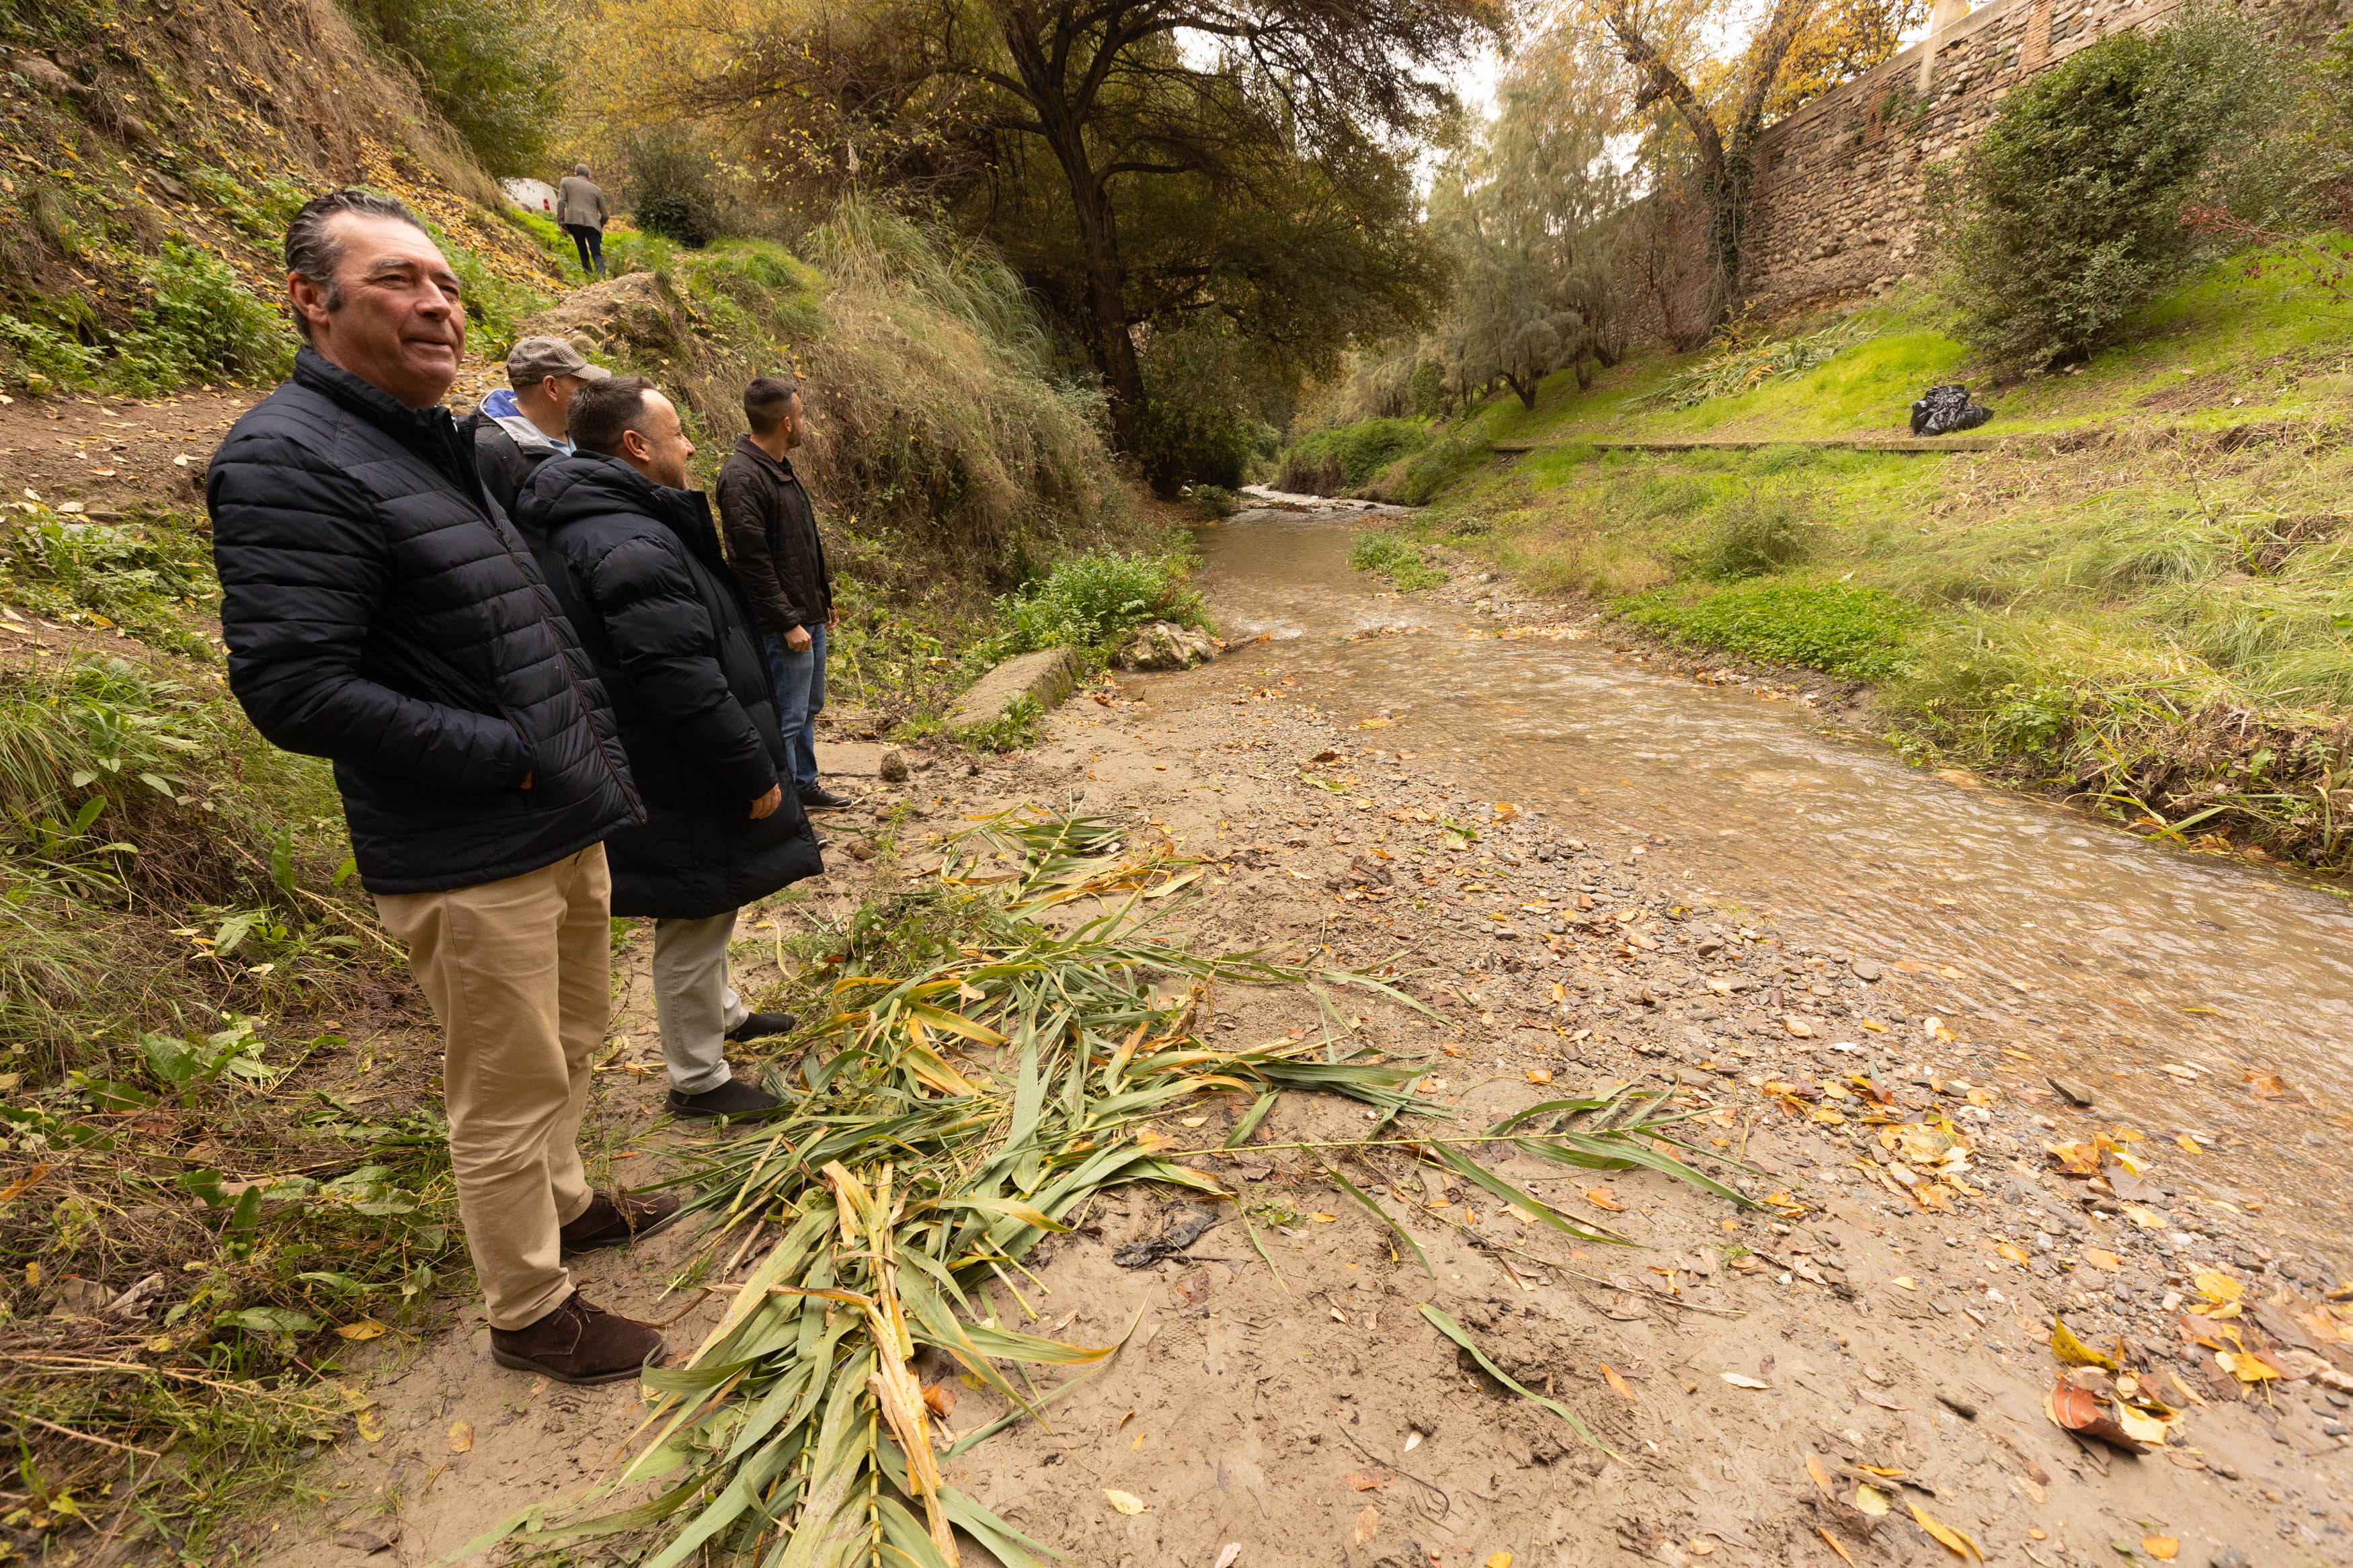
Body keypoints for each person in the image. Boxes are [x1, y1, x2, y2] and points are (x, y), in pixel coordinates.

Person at [206, 190, 674, 1386]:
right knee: (506, 1089)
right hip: (473, 847)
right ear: (310, 300)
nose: (436, 304)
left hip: (553, 819)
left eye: (448, 285)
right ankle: (531, 1311)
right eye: (398, 281)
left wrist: (563, 758)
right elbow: (294, 688)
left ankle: (565, 1206)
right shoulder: (288, 457)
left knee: (571, 1040)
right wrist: (506, 755)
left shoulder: (434, 439)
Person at [517, 375, 824, 1118]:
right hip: (679, 764)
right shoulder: (627, 539)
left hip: (669, 755)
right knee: (694, 904)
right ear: (636, 445)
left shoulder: (609, 521)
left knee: (713, 894)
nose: (690, 444)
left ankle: (721, 1014)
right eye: (678, 430)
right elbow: (678, 677)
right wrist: (750, 766)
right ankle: (698, 1077)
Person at [715, 377, 851, 813]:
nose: (805, 423)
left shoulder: (777, 468)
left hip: (805, 612)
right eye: (803, 415)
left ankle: (805, 785)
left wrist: (821, 598)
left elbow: (798, 544)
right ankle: (786, 807)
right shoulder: (742, 477)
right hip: (781, 624)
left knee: (808, 707)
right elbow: (750, 561)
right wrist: (788, 621)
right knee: (786, 719)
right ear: (787, 423)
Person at [472, 336, 606, 528]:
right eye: (581, 383)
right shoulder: (490, 451)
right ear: (552, 387)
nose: (588, 391)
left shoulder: (580, 426)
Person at [557, 163, 609, 278]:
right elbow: (605, 215)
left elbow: (561, 202)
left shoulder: (566, 182)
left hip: (574, 223)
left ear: (575, 173)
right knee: (597, 254)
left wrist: (561, 222)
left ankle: (590, 281)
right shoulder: (597, 190)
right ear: (589, 176)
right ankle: (603, 281)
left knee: (583, 253)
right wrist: (598, 225)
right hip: (593, 225)